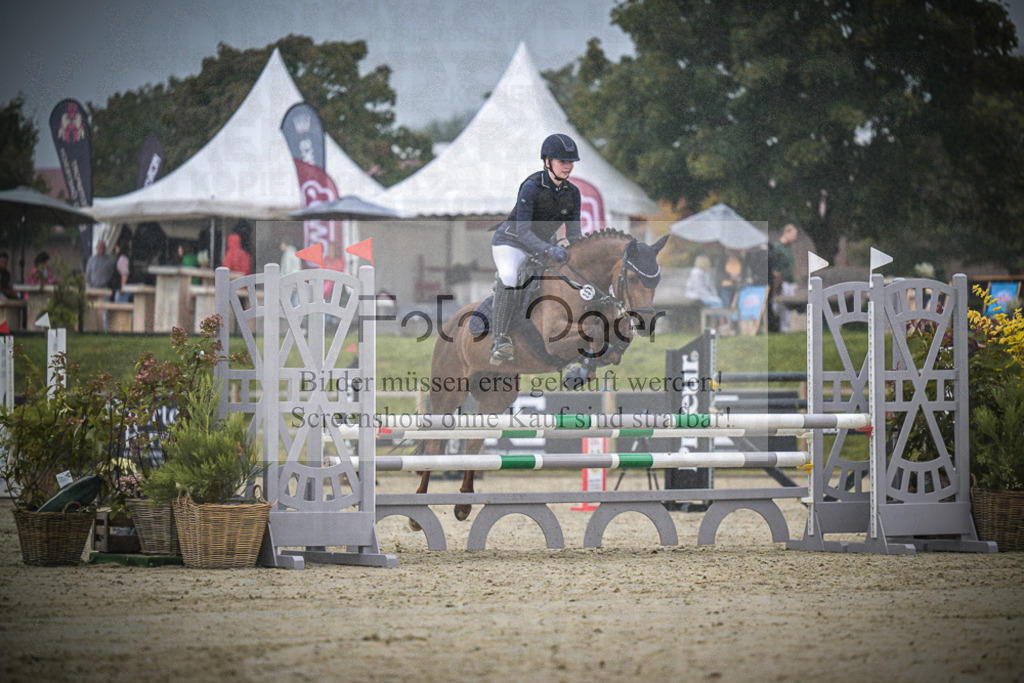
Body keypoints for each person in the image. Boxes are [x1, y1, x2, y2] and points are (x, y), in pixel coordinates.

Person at [488, 133, 582, 364]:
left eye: (570, 162)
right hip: (511, 243)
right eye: (562, 161)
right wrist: (549, 251)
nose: (567, 167)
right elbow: (523, 232)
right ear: (547, 161)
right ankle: (499, 339)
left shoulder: (573, 193)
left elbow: (574, 235)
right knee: (510, 276)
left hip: (543, 246)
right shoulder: (531, 187)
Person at [769, 223, 798, 332]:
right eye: (794, 234)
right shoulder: (777, 247)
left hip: (790, 282)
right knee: (778, 305)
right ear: (786, 232)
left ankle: (785, 330)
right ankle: (772, 324)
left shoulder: (788, 248)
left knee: (788, 307)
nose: (795, 237)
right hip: (781, 283)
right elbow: (773, 265)